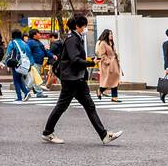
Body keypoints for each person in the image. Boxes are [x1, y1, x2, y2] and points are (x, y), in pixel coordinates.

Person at [41, 14, 122, 145]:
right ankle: (47, 132)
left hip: (76, 78)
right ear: (77, 26)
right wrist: (91, 63)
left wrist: (89, 62)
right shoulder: (72, 39)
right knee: (62, 106)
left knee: (89, 106)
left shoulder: (75, 37)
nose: (86, 28)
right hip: (72, 79)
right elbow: (74, 59)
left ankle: (104, 135)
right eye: (84, 26)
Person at [94, 29, 122, 102]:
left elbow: (114, 52)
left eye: (112, 34)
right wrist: (108, 61)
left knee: (115, 80)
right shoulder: (103, 43)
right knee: (108, 81)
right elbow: (102, 54)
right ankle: (100, 90)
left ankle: (114, 97)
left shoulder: (111, 43)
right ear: (106, 35)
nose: (111, 35)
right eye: (110, 34)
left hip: (114, 64)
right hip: (107, 65)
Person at [25, 31, 49, 98]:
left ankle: (26, 91)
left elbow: (44, 51)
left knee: (34, 78)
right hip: (34, 62)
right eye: (38, 33)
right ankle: (38, 92)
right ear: (34, 35)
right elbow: (27, 52)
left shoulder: (38, 42)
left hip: (38, 62)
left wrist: (52, 55)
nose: (40, 35)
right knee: (35, 78)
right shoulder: (30, 42)